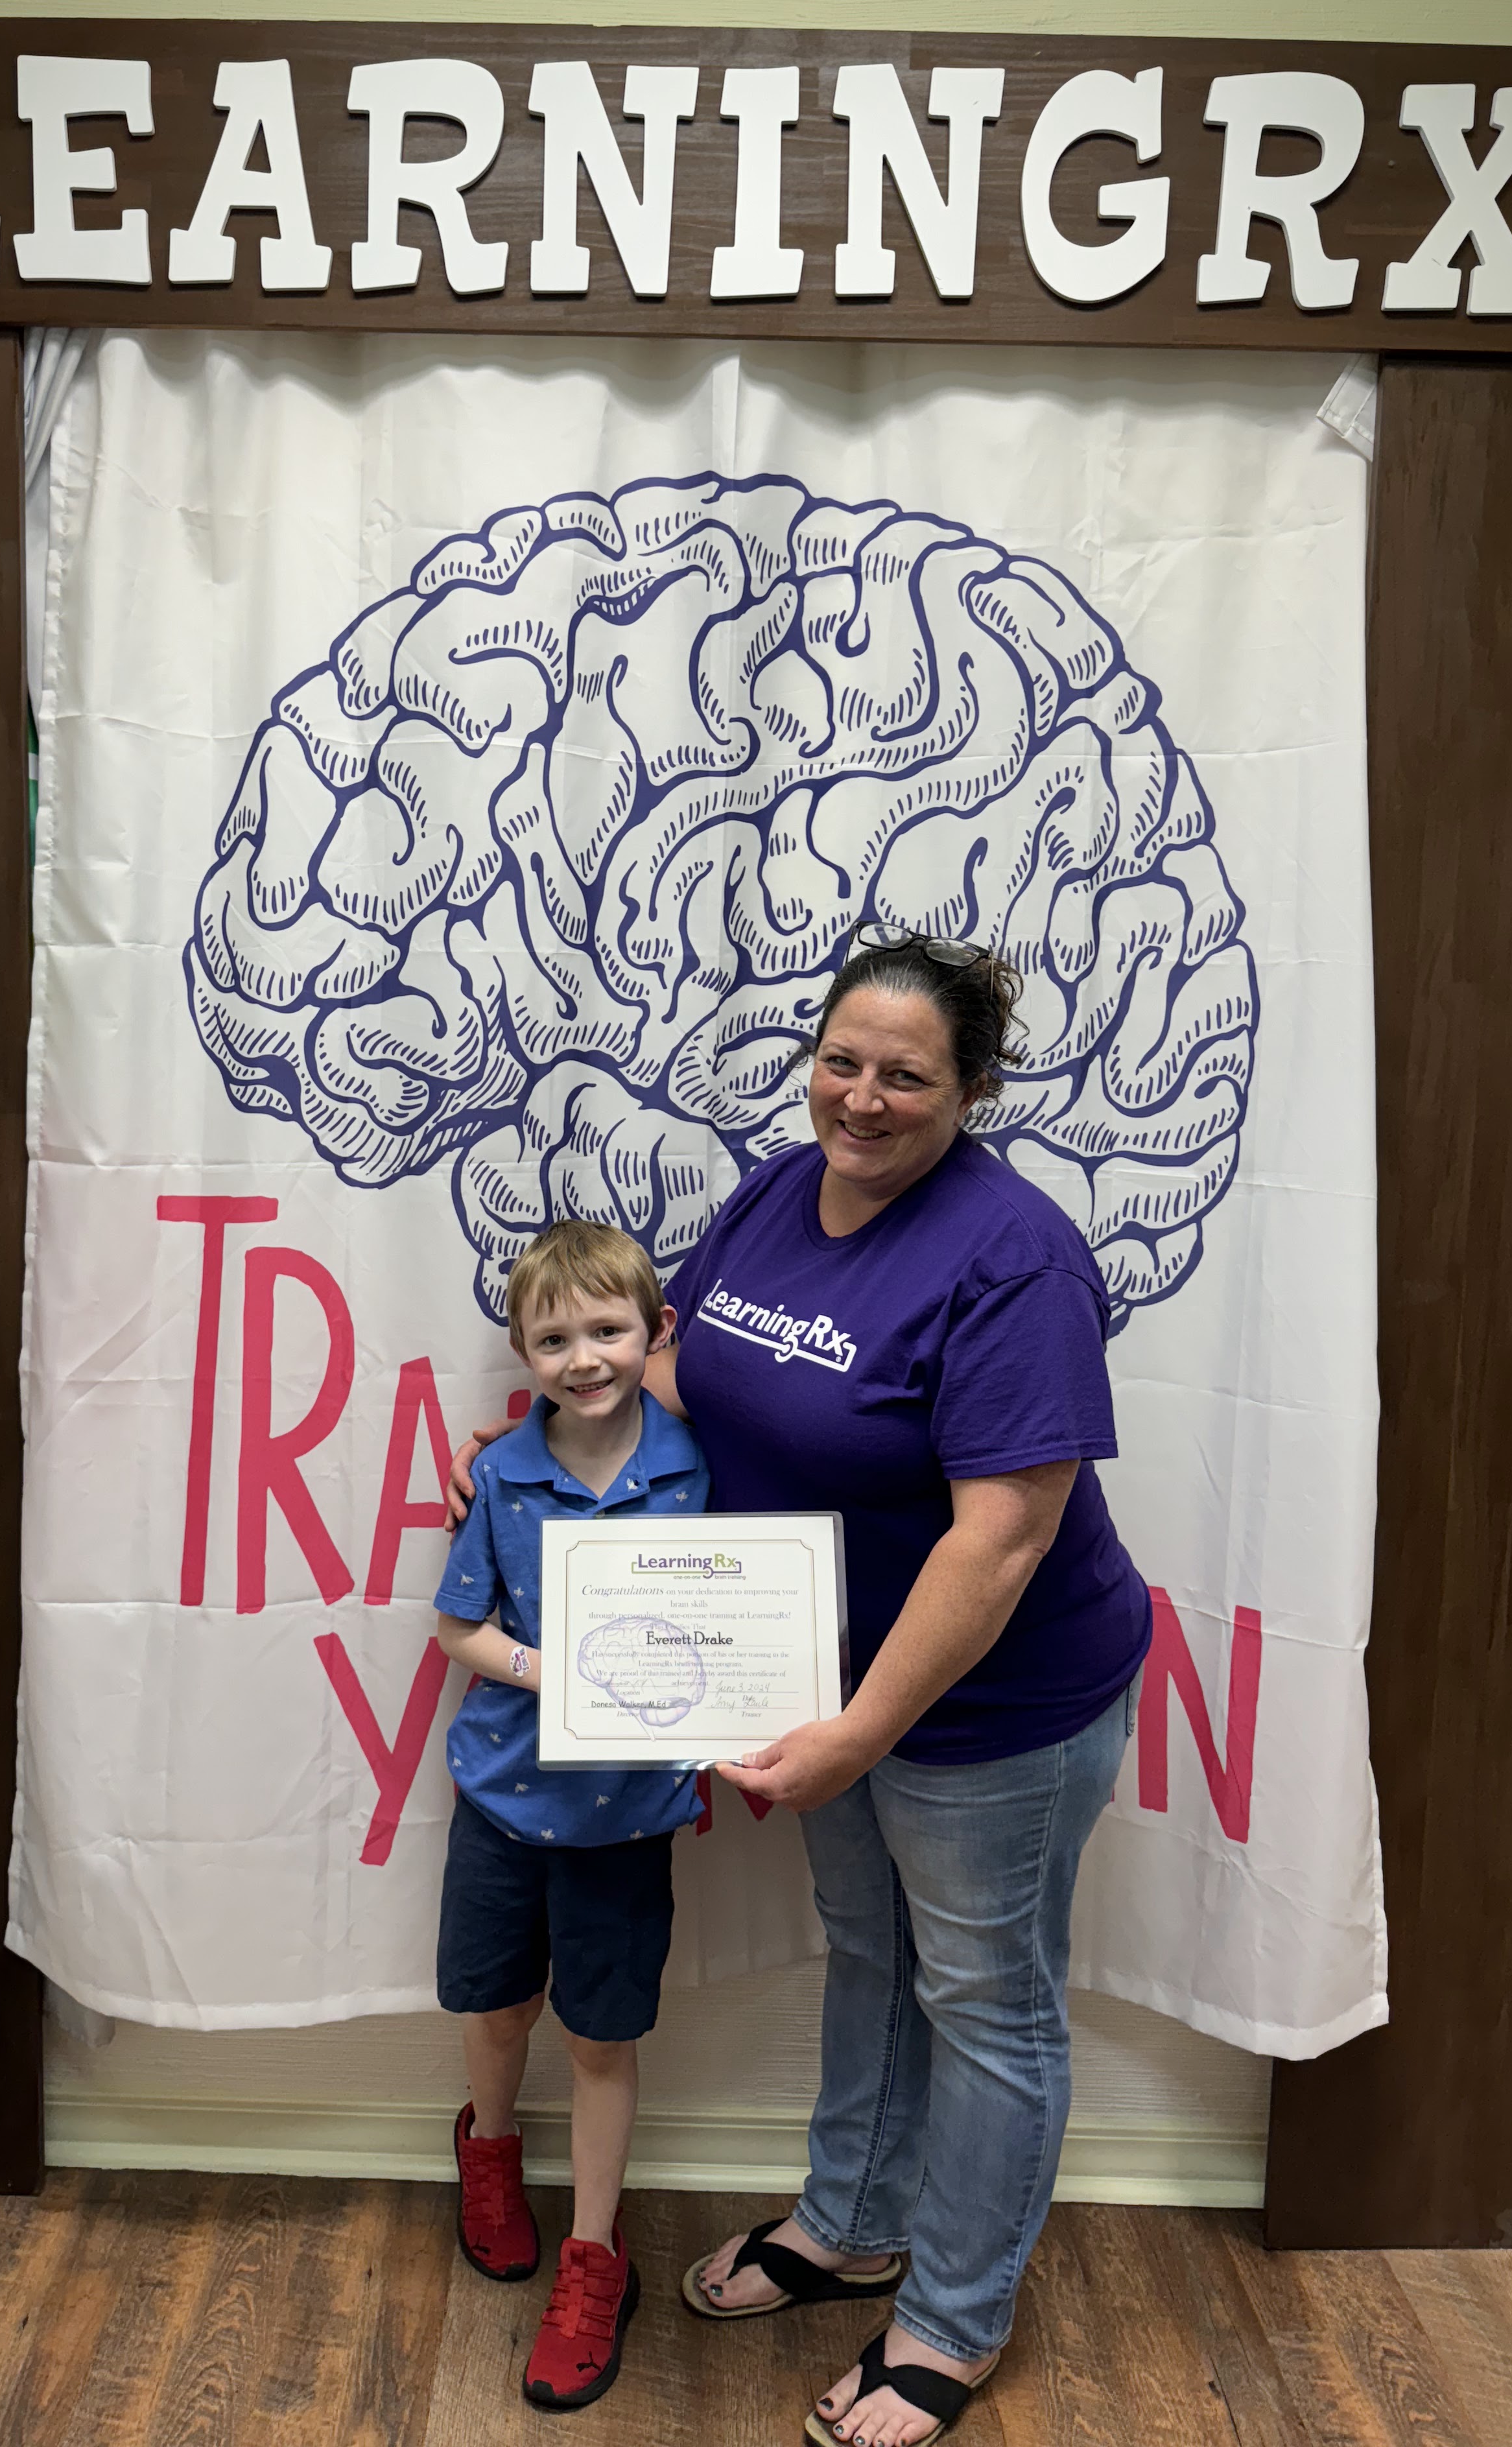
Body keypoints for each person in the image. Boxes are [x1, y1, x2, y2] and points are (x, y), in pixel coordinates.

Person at [450, 929, 1152, 2447]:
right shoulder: (781, 1189)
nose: (863, 1098)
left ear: (972, 1092)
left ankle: (952, 2322)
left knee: (986, 2004)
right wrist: (548, 1449)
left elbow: (1004, 1534)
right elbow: (682, 1371)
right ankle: (852, 2224)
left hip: (991, 1711)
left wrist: (864, 1730)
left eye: (908, 1077)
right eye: (842, 1061)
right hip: (820, 1681)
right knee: (871, 1952)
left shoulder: (1014, 1258)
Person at [434, 1216, 710, 2415]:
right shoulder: (501, 1474)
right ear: (522, 1352)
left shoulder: (703, 1468)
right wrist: (555, 1673)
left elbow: (754, 1605)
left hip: (629, 1818)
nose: (583, 1358)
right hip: (503, 1805)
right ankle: (489, 2151)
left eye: (607, 1331)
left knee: (603, 2038)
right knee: (498, 2007)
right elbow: (457, 1627)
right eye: (553, 1340)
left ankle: (596, 2255)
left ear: (657, 1333)